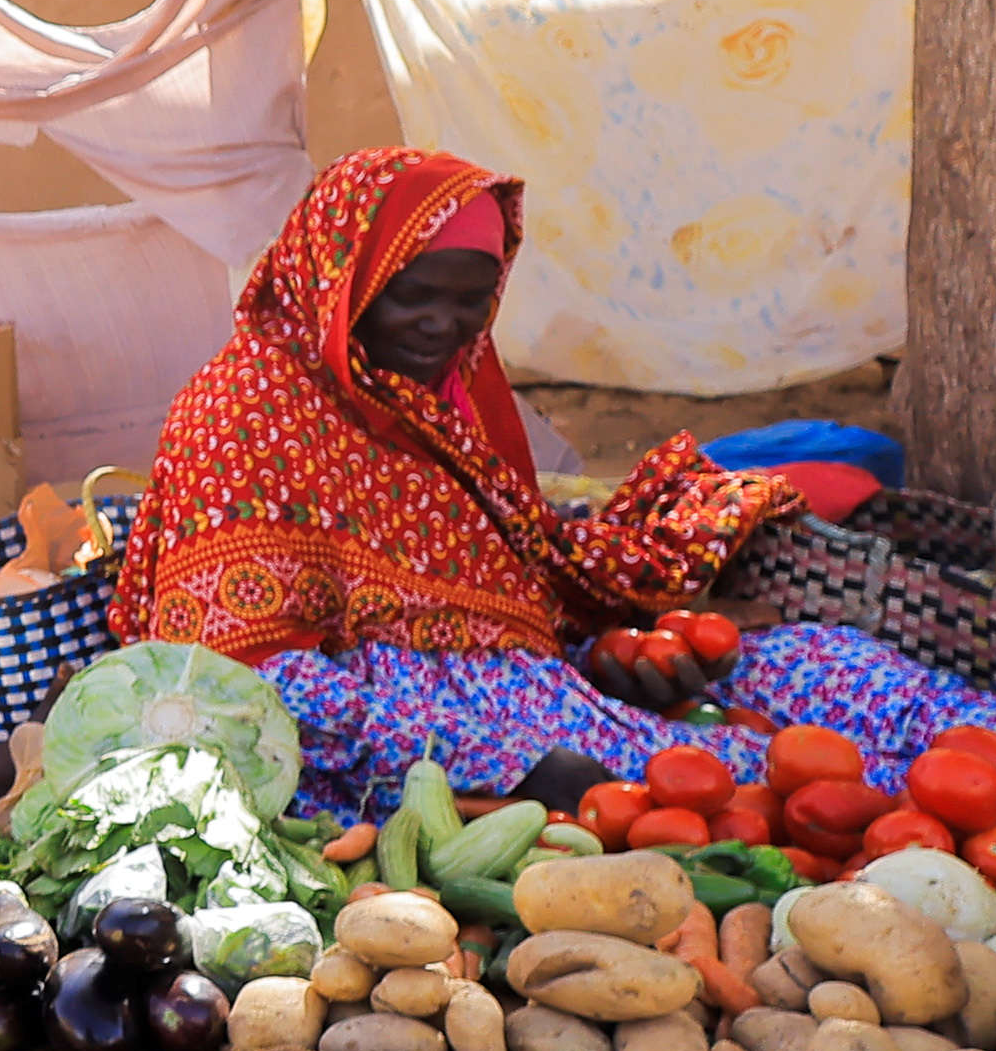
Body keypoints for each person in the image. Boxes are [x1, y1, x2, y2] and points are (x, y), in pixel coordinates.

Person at [113, 145, 795, 664]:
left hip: (494, 692)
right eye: (415, 296)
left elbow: (516, 571)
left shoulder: (434, 401)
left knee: (843, 673)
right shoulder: (246, 412)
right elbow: (232, 670)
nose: (444, 326)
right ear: (339, 283)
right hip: (349, 736)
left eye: (472, 301)